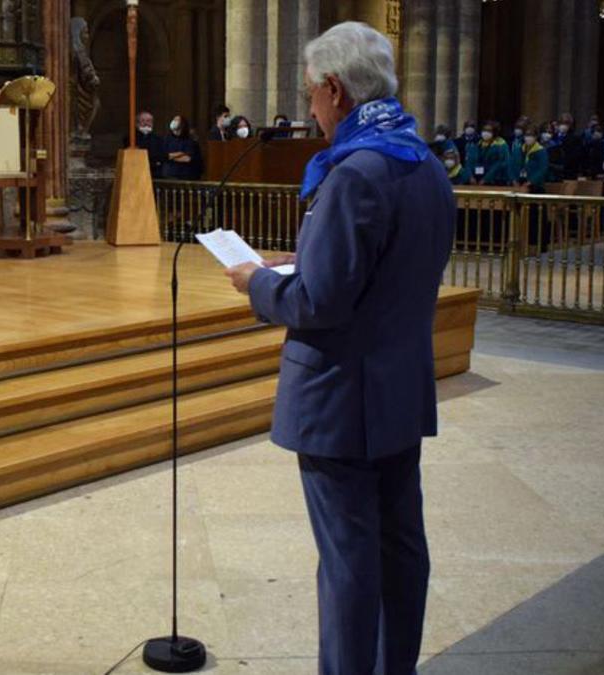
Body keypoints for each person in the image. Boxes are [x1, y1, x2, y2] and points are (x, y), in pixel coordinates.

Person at [224, 21, 450, 675]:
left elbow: (317, 303)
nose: (312, 109)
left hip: (341, 398)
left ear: (335, 89)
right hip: (398, 390)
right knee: (400, 546)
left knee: (349, 560)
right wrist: (309, 257)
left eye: (312, 95)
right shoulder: (421, 162)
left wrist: (256, 282)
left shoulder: (355, 173)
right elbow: (389, 268)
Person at [161, 115, 203, 180]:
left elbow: (187, 158)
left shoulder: (189, 140)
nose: (174, 122)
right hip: (168, 175)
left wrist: (171, 158)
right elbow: (164, 156)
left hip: (185, 175)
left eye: (176, 120)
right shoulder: (167, 139)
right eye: (173, 119)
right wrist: (182, 153)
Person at [130, 111, 165, 178]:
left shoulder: (158, 139)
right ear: (137, 124)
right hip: (136, 173)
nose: (146, 123)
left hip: (154, 174)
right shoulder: (130, 138)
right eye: (143, 121)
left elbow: (160, 157)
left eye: (149, 121)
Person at [475, 121, 509, 185]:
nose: (485, 133)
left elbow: (499, 164)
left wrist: (486, 178)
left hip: (497, 179)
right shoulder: (479, 143)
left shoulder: (501, 144)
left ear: (494, 132)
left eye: (489, 131)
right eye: (484, 130)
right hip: (480, 177)